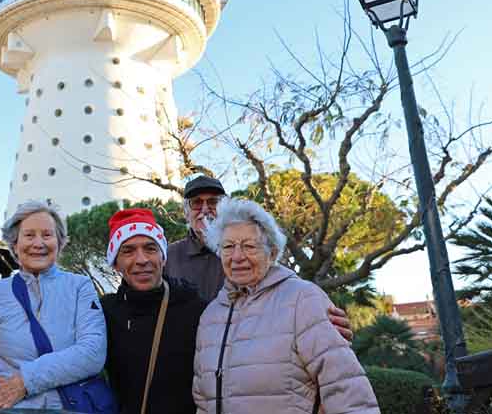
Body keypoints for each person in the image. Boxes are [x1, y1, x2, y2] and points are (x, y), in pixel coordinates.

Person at [192, 198, 379, 414]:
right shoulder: (210, 316)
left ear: (272, 253)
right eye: (228, 247)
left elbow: (345, 387)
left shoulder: (302, 298)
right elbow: (203, 401)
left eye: (249, 246)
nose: (237, 256)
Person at [0, 201, 108, 412]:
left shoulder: (80, 287)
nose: (38, 243)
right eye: (29, 235)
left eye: (47, 235)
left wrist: (25, 382)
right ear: (14, 244)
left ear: (60, 242)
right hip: (12, 409)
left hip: (71, 408)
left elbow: (92, 352)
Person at [167, 175, 353, 340]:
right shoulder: (168, 257)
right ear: (186, 212)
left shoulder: (256, 252)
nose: (205, 209)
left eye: (213, 202)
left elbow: (284, 286)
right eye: (196, 203)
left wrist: (319, 316)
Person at [101, 208, 209, 414]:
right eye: (128, 251)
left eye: (150, 248)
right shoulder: (104, 314)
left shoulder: (197, 310)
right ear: (115, 263)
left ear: (163, 257)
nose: (142, 260)